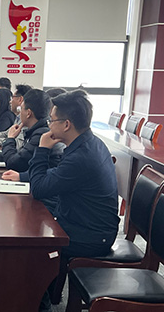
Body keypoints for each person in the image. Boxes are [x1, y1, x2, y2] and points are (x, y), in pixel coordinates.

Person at [29, 90, 119, 256]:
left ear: (66, 125)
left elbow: (38, 189)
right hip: (89, 226)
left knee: (30, 243)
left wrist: (42, 149)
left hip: (91, 238)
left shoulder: (80, 158)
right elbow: (57, 175)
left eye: (51, 120)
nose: (49, 125)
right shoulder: (90, 143)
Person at [0, 89, 63, 177]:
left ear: (28, 113)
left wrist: (10, 138)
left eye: (21, 109)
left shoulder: (41, 134)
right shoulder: (36, 130)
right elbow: (22, 156)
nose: (19, 113)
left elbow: (15, 164)